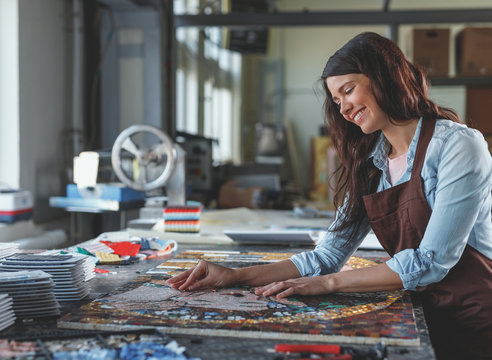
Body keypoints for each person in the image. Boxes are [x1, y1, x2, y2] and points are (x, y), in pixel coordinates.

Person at [166, 32, 492, 360]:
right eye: (336, 101)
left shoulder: (458, 146)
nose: (344, 108)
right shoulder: (372, 164)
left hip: (475, 320)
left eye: (348, 90)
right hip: (418, 312)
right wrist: (235, 276)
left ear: (385, 76)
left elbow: (430, 262)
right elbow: (325, 257)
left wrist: (327, 284)